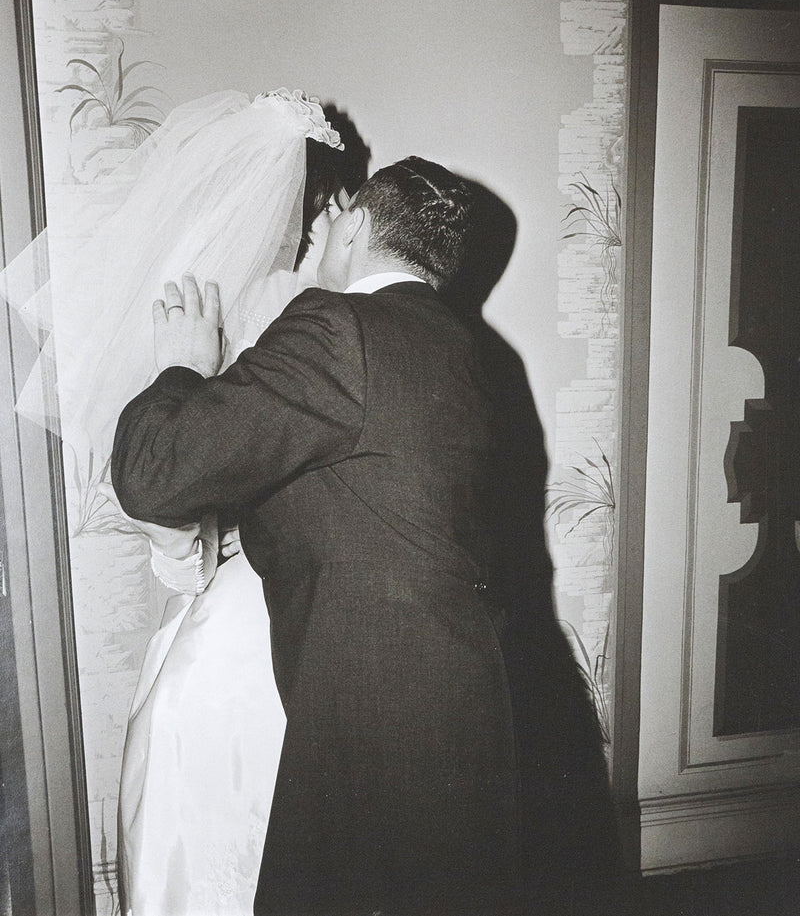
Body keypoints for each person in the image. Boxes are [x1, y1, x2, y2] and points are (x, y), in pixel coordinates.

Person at [111, 156, 621, 915]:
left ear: (352, 226)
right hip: (471, 707)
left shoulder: (338, 326)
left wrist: (183, 371)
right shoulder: (475, 351)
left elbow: (153, 473)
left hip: (380, 730)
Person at [4, 88, 356, 916]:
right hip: (273, 614)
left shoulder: (206, 308)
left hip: (210, 617)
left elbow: (165, 499)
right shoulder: (308, 317)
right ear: (326, 205)